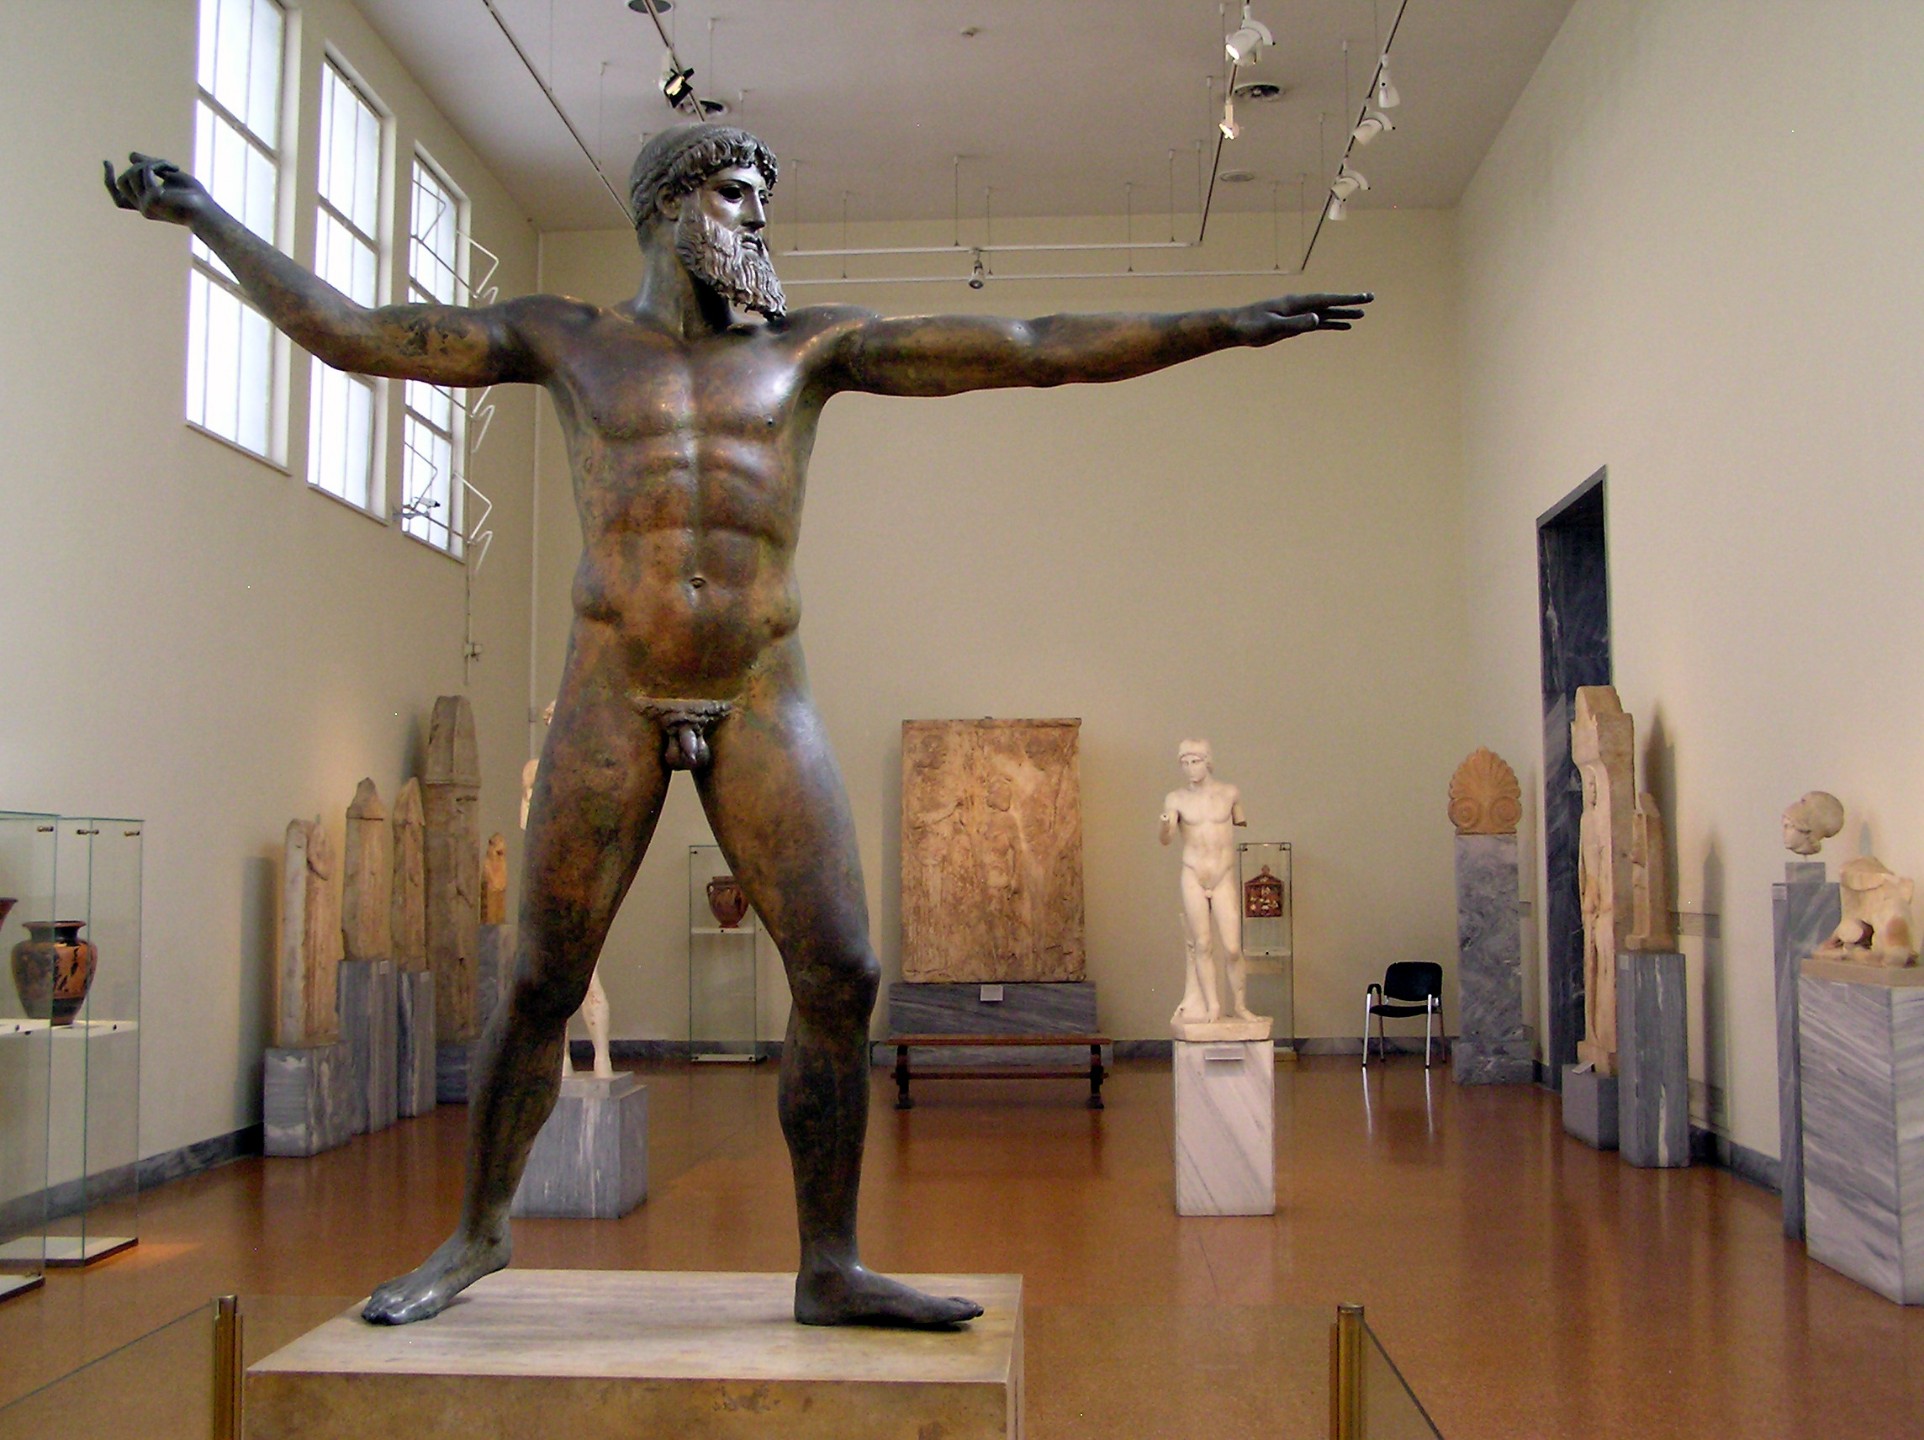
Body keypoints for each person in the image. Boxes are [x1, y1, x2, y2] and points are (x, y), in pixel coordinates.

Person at [106, 123, 1369, 1328]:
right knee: (540, 978)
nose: (758, 219)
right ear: (667, 207)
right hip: (614, 682)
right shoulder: (566, 339)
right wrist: (208, 215)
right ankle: (477, 1232)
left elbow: (1030, 345)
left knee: (843, 972)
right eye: (733, 195)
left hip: (763, 684)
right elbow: (357, 335)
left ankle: (830, 1262)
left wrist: (1222, 325)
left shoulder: (810, 349)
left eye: (764, 199)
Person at [1159, 739, 1259, 1028]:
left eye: (1196, 761)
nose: (1190, 768)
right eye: (1185, 763)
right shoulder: (1176, 798)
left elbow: (1240, 820)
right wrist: (1164, 824)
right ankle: (1213, 1004)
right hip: (1193, 873)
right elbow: (1166, 839)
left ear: (1207, 761)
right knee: (1202, 944)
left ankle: (1239, 1005)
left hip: (1222, 874)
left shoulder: (1230, 794)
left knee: (1232, 948)